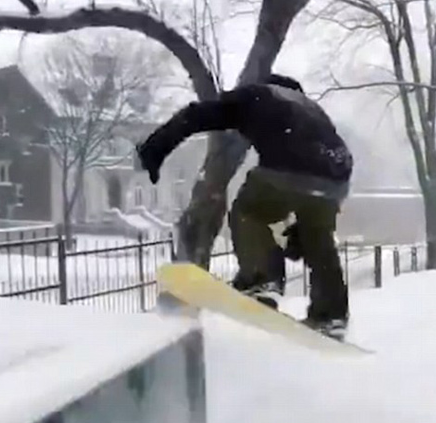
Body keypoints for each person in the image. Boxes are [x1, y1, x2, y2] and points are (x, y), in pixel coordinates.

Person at [136, 73, 353, 337]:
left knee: (248, 212)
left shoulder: (255, 95)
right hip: (337, 174)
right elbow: (323, 164)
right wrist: (306, 227)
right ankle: (331, 313)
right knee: (318, 238)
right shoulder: (310, 107)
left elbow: (195, 116)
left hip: (291, 168)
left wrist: (154, 149)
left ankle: (262, 277)